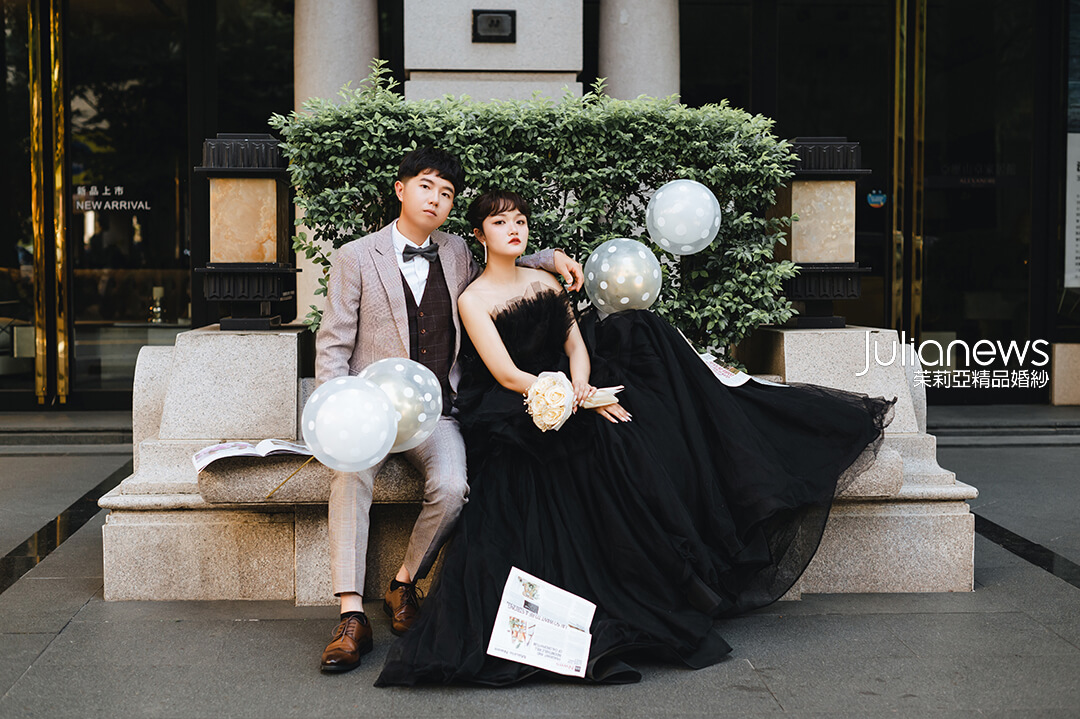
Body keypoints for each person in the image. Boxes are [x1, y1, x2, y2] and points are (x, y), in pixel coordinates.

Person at [375, 191, 895, 686]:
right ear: (479, 234)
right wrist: (573, 400)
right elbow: (508, 374)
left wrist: (584, 387)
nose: (513, 229)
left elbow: (575, 346)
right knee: (579, 454)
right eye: (499, 222)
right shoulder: (473, 298)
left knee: (641, 340)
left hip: (568, 384)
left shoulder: (547, 282)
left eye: (520, 221)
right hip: (517, 402)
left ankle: (710, 497)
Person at [315, 150, 584, 673]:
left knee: (454, 486)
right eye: (426, 186)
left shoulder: (457, 250)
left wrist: (550, 257)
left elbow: (504, 260)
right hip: (369, 410)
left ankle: (403, 583)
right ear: (401, 190)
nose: (435, 199)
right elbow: (333, 344)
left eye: (446, 193)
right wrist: (337, 412)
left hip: (436, 411)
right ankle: (350, 615)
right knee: (349, 478)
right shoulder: (356, 256)